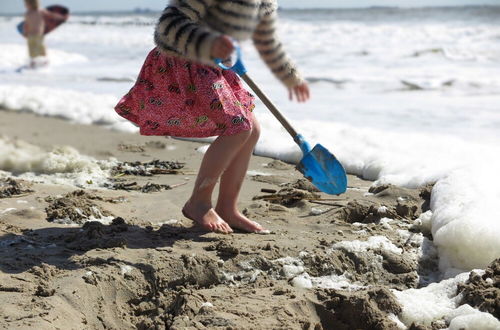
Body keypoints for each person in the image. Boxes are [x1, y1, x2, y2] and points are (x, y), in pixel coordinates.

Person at [115, 0, 310, 234]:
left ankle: (228, 208)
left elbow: (267, 40)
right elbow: (167, 28)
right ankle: (198, 202)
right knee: (238, 127)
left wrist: (291, 75)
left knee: (251, 130)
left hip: (216, 66)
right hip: (185, 62)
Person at [23, 0, 48, 68]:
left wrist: (25, 33)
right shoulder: (41, 11)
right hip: (39, 34)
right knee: (40, 47)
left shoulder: (27, 13)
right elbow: (48, 17)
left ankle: (34, 62)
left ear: (31, 4)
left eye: (26, 4)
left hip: (32, 34)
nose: (25, 5)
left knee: (32, 48)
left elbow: (26, 25)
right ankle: (44, 61)